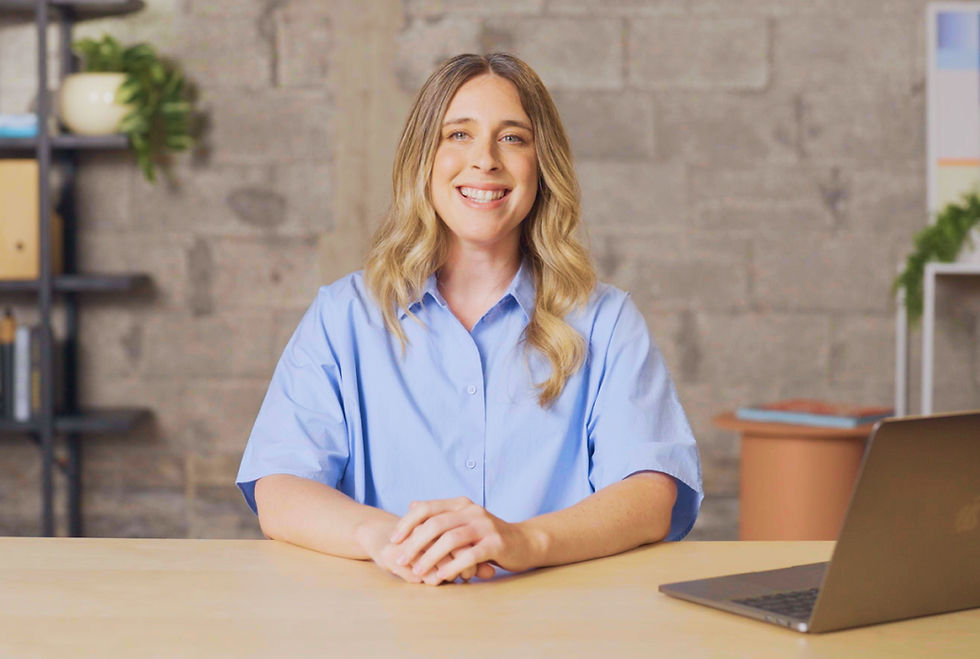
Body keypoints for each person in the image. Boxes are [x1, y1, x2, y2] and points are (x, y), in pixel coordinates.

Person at [236, 53, 703, 586]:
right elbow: (279, 489)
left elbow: (652, 495)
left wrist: (524, 541)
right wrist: (389, 539)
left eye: (512, 138)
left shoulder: (607, 320)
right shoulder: (343, 316)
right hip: (385, 625)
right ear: (423, 159)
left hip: (561, 628)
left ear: (542, 164)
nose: (485, 160)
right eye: (457, 134)